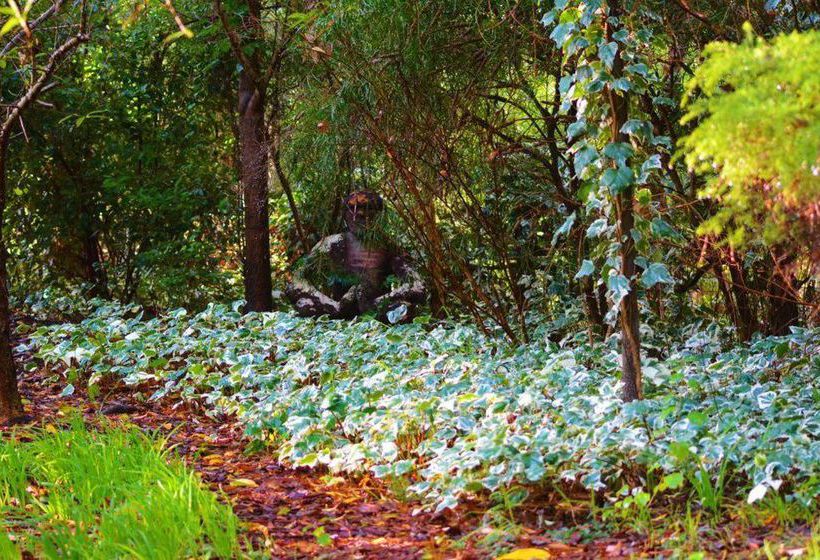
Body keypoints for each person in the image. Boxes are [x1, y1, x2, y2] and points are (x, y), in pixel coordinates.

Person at [285, 191, 425, 321]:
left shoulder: (389, 247)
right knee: (305, 304)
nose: (360, 214)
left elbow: (417, 285)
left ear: (379, 214)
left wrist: (379, 302)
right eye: (352, 208)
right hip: (337, 312)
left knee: (404, 309)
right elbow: (296, 281)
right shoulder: (332, 244)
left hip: (378, 313)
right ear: (345, 214)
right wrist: (333, 306)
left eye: (368, 208)